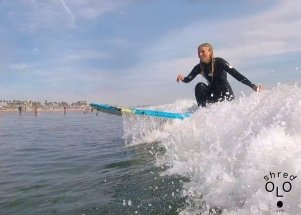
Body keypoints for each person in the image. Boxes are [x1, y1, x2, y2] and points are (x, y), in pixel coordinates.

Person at [177, 43, 263, 107]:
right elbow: (189, 79)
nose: (200, 54)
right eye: (198, 52)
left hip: (226, 96)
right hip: (213, 94)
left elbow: (237, 75)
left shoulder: (220, 62)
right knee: (199, 86)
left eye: (203, 51)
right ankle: (201, 112)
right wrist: (183, 78)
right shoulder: (199, 67)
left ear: (210, 51)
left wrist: (253, 86)